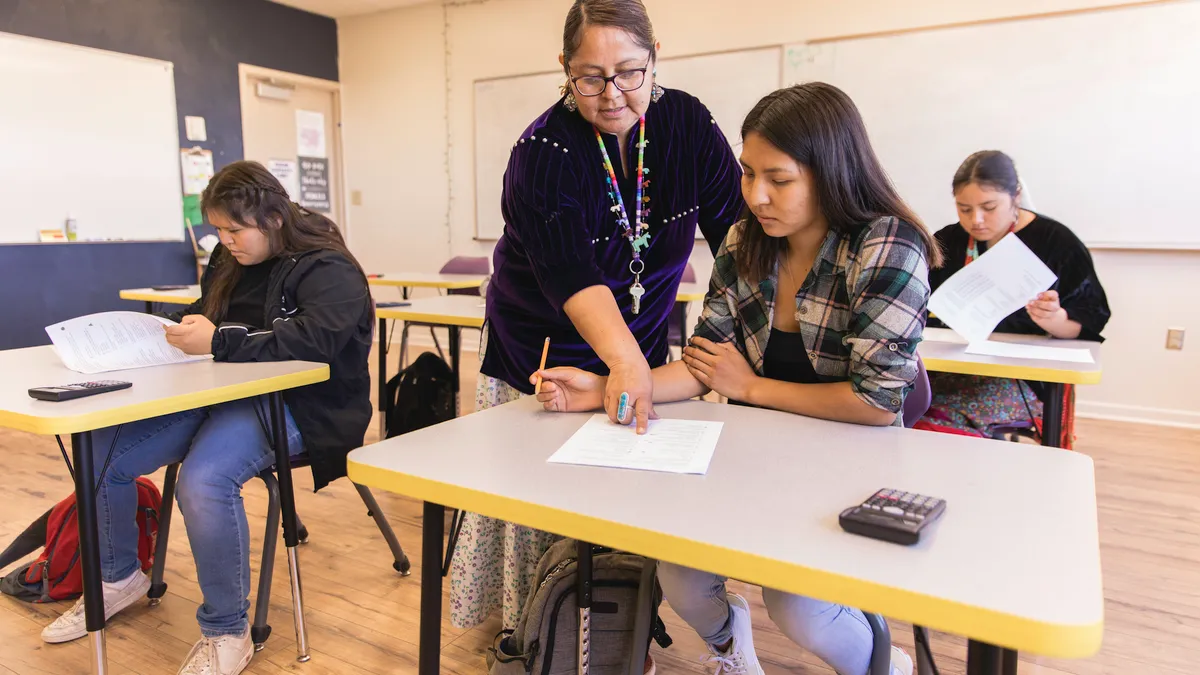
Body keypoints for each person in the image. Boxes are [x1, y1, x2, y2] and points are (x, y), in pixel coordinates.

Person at [532, 82, 938, 675]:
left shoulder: (886, 247)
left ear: (831, 173)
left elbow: (877, 403)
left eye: (779, 179)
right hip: (752, 457)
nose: (755, 195)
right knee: (679, 575)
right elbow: (703, 368)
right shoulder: (748, 241)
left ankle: (882, 665)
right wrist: (604, 388)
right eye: (748, 174)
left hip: (852, 463)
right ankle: (731, 647)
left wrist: (749, 389)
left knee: (798, 605)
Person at [451, 0, 744, 632]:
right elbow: (572, 277)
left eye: (628, 72)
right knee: (540, 512)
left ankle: (618, 633)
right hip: (543, 351)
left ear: (653, 56)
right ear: (564, 68)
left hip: (638, 348)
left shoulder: (685, 124)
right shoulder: (544, 150)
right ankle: (538, 635)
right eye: (590, 77)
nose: (611, 94)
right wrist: (626, 364)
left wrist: (749, 329)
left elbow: (737, 238)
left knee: (630, 501)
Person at [40, 161, 374, 675]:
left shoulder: (326, 265)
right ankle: (118, 577)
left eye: (234, 230)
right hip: (221, 390)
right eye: (217, 229)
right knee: (101, 448)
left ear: (274, 217)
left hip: (303, 404)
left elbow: (318, 342)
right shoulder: (229, 256)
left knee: (203, 480)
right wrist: (170, 330)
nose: (225, 241)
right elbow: (212, 309)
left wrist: (217, 341)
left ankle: (226, 631)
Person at [921, 151, 1110, 445]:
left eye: (989, 207)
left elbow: (1090, 319)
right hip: (950, 365)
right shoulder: (948, 241)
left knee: (938, 417)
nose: (976, 220)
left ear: (1016, 197)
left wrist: (1056, 320)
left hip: (1021, 379)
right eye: (964, 209)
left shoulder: (1056, 242)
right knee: (903, 400)